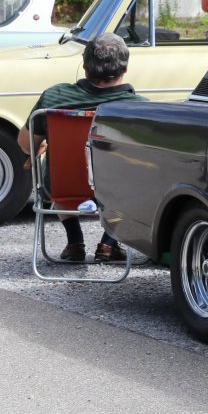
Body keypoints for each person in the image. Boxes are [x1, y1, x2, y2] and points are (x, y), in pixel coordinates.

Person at [17, 34, 143, 264]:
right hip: (118, 190)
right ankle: (108, 244)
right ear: (125, 68)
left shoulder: (54, 97)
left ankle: (75, 241)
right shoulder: (138, 108)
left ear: (84, 66)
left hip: (63, 185)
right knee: (137, 177)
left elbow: (26, 146)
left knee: (59, 169)